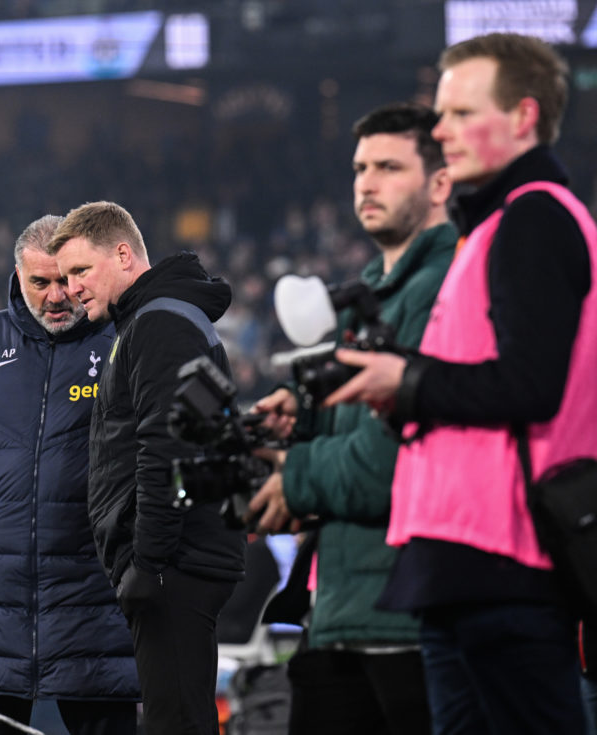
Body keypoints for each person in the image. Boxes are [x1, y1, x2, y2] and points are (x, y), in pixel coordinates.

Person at [326, 33, 594, 734]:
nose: (440, 130)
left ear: (524, 117)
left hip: (505, 552)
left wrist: (407, 380)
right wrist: (400, 392)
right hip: (462, 555)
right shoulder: (495, 226)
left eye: (459, 112)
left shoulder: (533, 217)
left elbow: (531, 385)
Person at [246, 102, 455, 735]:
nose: (366, 182)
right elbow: (359, 433)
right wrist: (305, 420)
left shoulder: (445, 287)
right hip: (341, 610)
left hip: (410, 619)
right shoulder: (365, 295)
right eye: (361, 166)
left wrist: (293, 474)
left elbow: (389, 464)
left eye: (390, 166)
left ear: (440, 182)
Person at [0, 215, 139, 735]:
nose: (56, 295)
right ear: (17, 276)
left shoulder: (119, 340)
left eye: (64, 279)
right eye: (39, 282)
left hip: (92, 606)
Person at [48, 201, 244, 735]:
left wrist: (149, 563)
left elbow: (168, 447)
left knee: (175, 722)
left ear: (123, 253)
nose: (70, 288)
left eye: (81, 271)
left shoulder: (158, 322)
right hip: (177, 561)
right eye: (65, 277)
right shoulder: (159, 317)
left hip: (173, 565)